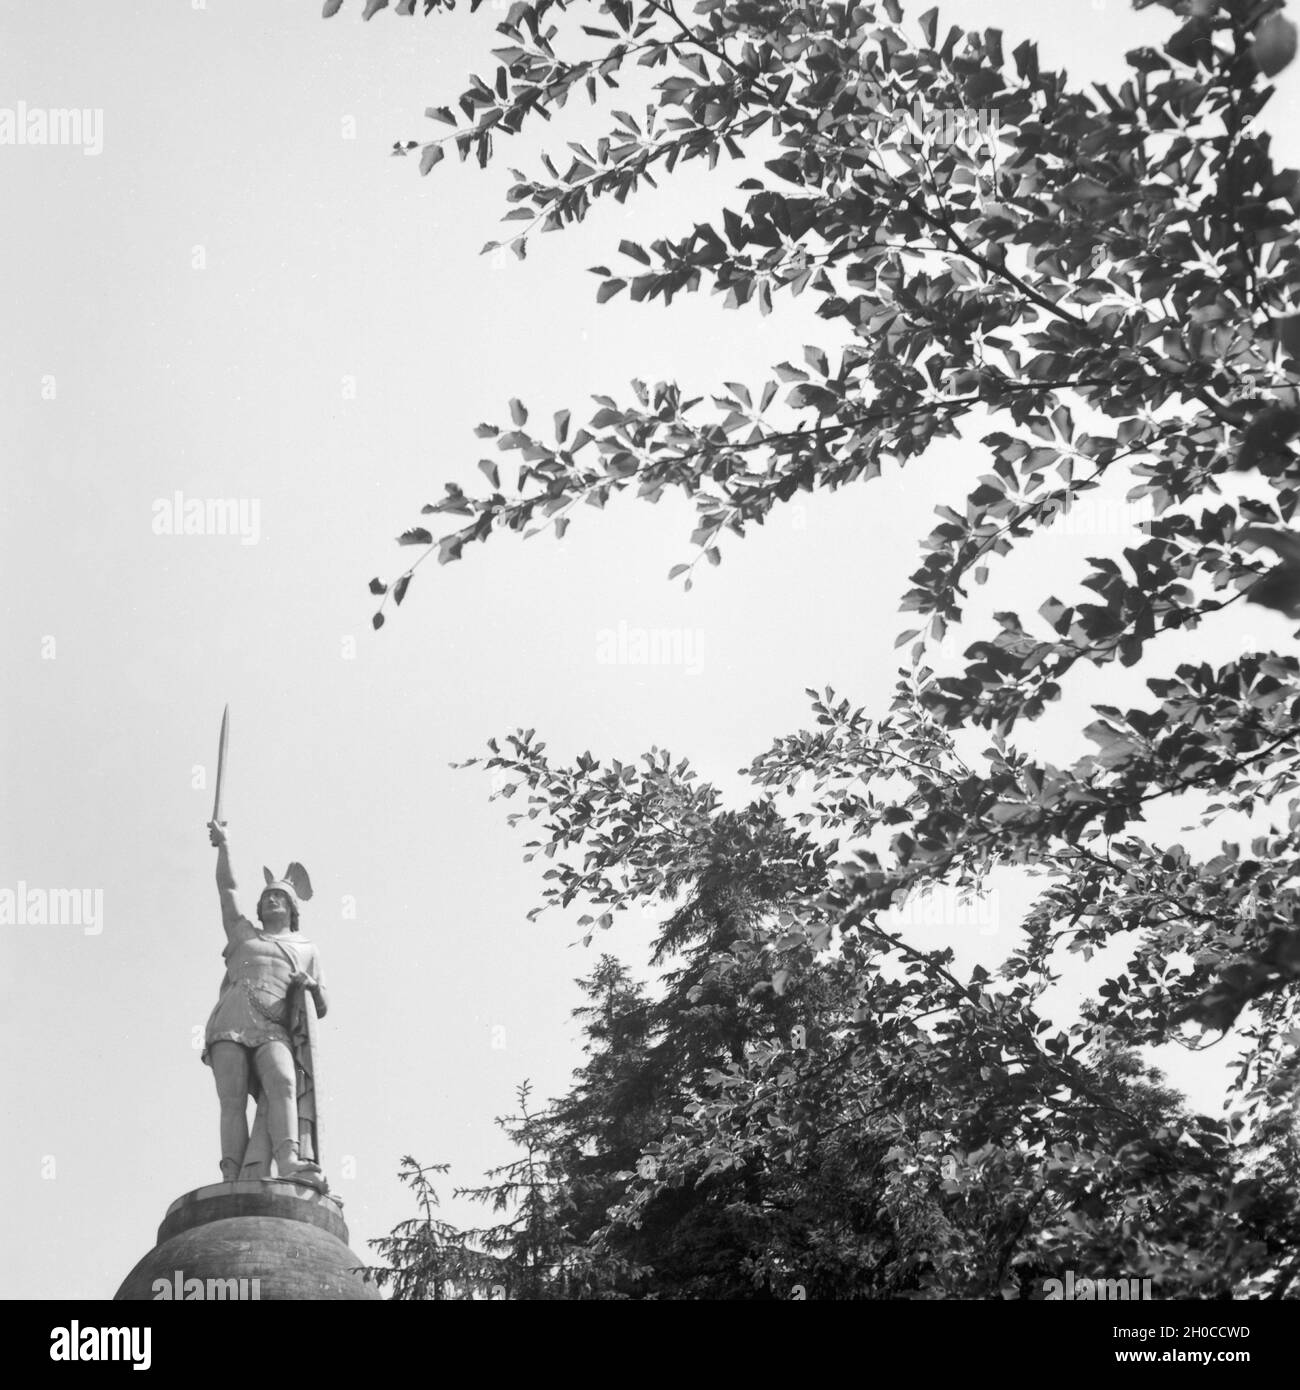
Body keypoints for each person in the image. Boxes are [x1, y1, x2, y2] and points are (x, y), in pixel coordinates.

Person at [203, 819, 328, 1187]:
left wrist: (310, 986)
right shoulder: (243, 934)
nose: (271, 900)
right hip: (232, 1020)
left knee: (285, 1083)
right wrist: (224, 845)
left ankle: (289, 1161)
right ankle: (231, 1175)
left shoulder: (307, 949)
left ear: (292, 908)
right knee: (232, 1100)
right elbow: (227, 890)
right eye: (266, 897)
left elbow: (321, 1004)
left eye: (279, 897)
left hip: (275, 1028)